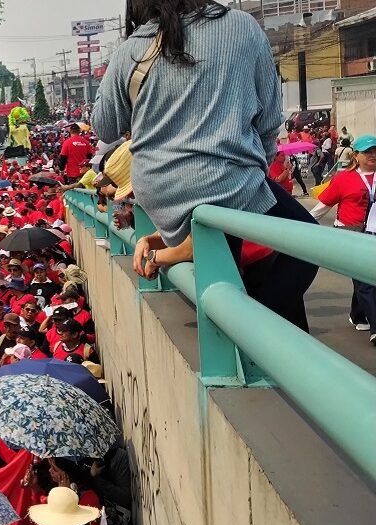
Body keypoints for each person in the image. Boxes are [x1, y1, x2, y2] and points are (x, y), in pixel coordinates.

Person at [95, 0, 319, 332]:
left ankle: (197, 268)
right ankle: (254, 326)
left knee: (227, 261)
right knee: (308, 242)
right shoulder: (241, 26)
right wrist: (255, 169)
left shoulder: (133, 47)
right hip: (228, 181)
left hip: (157, 190)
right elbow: (270, 119)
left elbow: (104, 125)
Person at [309, 134, 376, 342]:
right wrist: (302, 224)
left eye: (375, 151)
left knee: (364, 279)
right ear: (356, 155)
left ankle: (357, 314)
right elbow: (322, 208)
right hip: (351, 234)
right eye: (367, 152)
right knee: (366, 281)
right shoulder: (344, 179)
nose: (373, 155)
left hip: (374, 233)